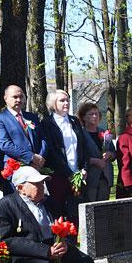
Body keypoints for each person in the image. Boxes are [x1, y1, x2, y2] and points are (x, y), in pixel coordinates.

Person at [40, 90, 91, 225]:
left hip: (78, 174)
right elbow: (52, 152)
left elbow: (83, 147)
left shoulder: (74, 121)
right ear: (53, 103)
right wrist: (69, 174)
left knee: (76, 212)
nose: (66, 103)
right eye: (62, 100)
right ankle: (62, 242)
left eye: (67, 99)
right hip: (59, 176)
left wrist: (84, 168)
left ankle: (76, 242)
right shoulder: (47, 123)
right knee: (60, 212)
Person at [0, 85, 47, 195]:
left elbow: (43, 139)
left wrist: (40, 159)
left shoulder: (32, 117)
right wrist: (31, 157)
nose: (19, 100)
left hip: (37, 169)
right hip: (15, 171)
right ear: (6, 98)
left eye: (21, 97)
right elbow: (5, 144)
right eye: (15, 97)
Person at [77, 102, 115, 202]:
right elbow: (78, 156)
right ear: (83, 117)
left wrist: (110, 154)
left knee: (104, 210)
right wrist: (93, 161)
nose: (95, 116)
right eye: (91, 114)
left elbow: (114, 153)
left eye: (97, 114)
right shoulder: (80, 134)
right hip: (90, 178)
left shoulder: (105, 133)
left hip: (105, 177)